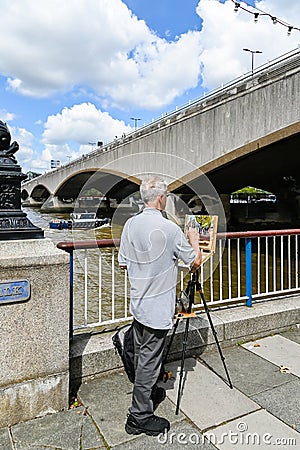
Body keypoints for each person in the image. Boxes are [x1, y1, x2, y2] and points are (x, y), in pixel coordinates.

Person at [118, 176, 202, 437]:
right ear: (161, 198)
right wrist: (194, 238)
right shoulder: (169, 229)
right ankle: (139, 416)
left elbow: (123, 263)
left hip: (139, 303)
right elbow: (195, 261)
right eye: (166, 196)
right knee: (149, 361)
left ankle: (148, 392)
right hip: (157, 308)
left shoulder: (130, 225)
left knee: (144, 353)